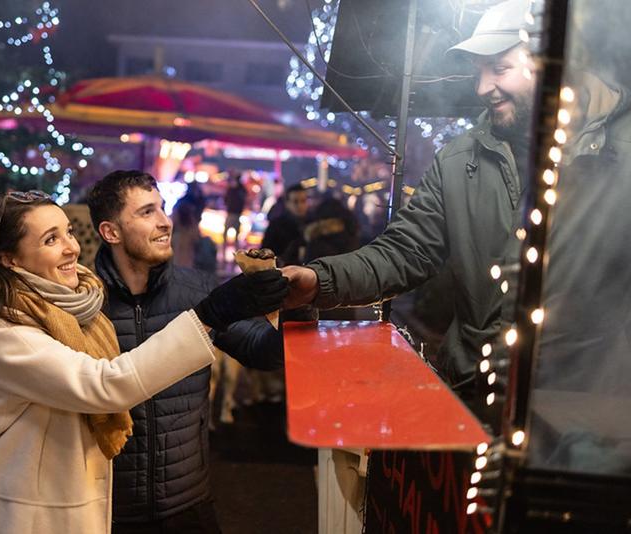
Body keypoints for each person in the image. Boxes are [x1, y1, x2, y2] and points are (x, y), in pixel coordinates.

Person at [0, 190, 286, 534]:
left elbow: (261, 349)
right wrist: (209, 315)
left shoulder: (80, 302)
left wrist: (295, 307)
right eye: (51, 239)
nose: (72, 247)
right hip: (25, 513)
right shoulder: (5, 329)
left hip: (180, 498)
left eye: (69, 232)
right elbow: (105, 385)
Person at [282, 0, 536, 399]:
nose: (482, 87)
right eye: (479, 72)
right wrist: (318, 281)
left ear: (549, 63)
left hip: (577, 401)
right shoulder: (457, 160)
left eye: (500, 68)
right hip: (474, 389)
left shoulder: (617, 153)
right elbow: (405, 251)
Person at [87, 171, 284, 533]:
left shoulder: (196, 290)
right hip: (108, 509)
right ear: (111, 232)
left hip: (188, 505)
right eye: (147, 212)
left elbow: (264, 352)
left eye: (162, 208)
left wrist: (297, 303)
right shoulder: (84, 304)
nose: (165, 221)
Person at [262, 184, 309, 267]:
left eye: (303, 201)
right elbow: (265, 252)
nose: (299, 206)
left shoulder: (313, 224)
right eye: (295, 202)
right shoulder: (276, 225)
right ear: (287, 203)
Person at [222, 171, 246, 251]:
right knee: (234, 236)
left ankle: (225, 252)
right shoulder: (240, 190)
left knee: (227, 235)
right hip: (236, 214)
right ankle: (234, 253)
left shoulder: (233, 189)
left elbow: (226, 200)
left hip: (232, 214)